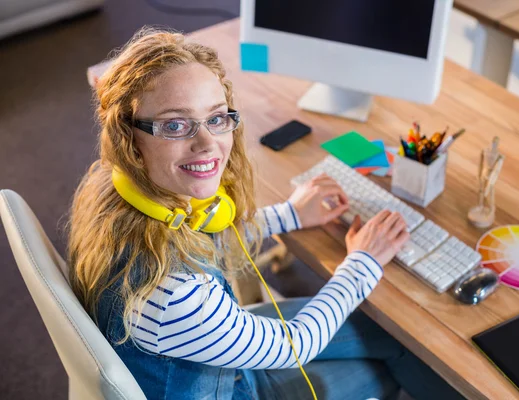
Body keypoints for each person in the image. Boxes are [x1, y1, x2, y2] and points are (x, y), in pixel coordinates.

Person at [67, 27, 464, 400]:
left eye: (216, 118)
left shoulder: (118, 190)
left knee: (384, 332)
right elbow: (293, 346)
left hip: (214, 352)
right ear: (129, 138)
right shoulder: (171, 296)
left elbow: (204, 225)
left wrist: (290, 214)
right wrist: (362, 261)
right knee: (405, 354)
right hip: (234, 387)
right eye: (175, 125)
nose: (208, 143)